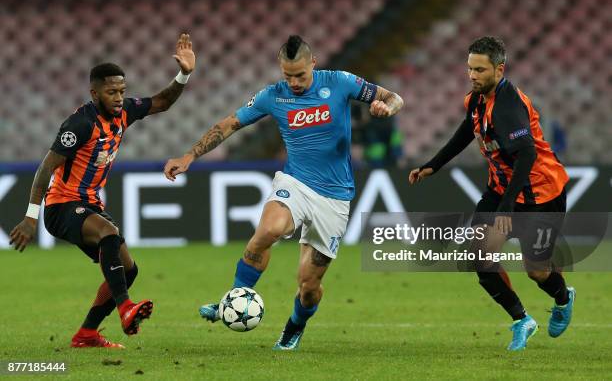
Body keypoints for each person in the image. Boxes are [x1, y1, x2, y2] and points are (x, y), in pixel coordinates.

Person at [164, 35, 403, 350]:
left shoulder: (341, 82)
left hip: (334, 196)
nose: (293, 82)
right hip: (295, 182)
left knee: (308, 286)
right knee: (269, 230)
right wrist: (190, 156)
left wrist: (386, 107)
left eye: (300, 75)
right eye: (287, 75)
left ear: (313, 64)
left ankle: (294, 326)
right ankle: (233, 299)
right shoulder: (273, 96)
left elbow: (394, 96)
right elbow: (230, 124)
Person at [9, 34, 196, 348]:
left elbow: (162, 102)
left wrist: (185, 73)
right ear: (94, 93)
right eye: (112, 92)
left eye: (122, 90)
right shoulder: (79, 124)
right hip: (61, 206)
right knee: (109, 233)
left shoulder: (124, 113)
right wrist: (31, 216)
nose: (119, 97)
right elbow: (46, 168)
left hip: (89, 203)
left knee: (129, 269)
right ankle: (125, 308)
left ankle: (86, 334)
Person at [409, 36, 573, 351]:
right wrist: (434, 164)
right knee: (478, 255)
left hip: (540, 193)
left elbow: (526, 155)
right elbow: (468, 129)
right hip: (501, 189)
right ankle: (521, 319)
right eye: (470, 68)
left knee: (536, 270)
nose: (472, 75)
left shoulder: (508, 107)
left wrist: (507, 207)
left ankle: (564, 299)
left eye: (480, 70)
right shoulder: (476, 100)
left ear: (499, 70)